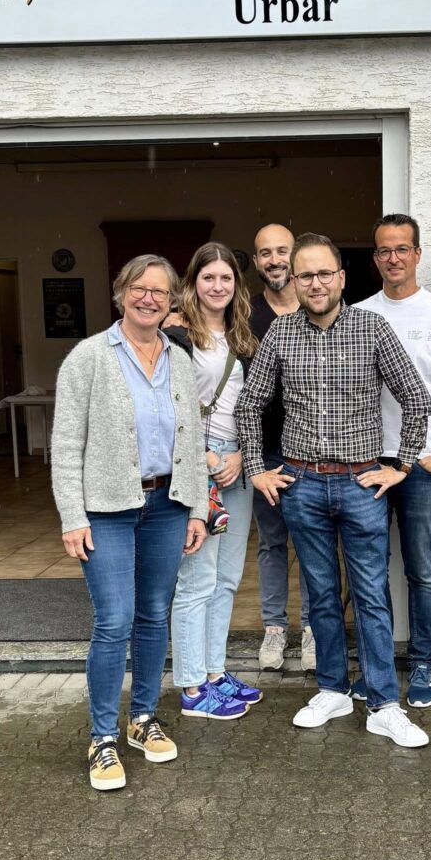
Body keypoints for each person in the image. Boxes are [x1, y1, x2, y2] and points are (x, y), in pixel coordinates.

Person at [236, 232, 431, 748]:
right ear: (294, 280)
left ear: (341, 278)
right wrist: (257, 468)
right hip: (301, 485)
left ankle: (384, 703)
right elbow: (249, 405)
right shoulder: (280, 333)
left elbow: (417, 399)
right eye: (306, 275)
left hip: (361, 484)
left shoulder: (372, 327)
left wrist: (401, 465)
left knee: (371, 595)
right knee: (321, 595)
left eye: (325, 273)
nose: (316, 283)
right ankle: (332, 689)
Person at [52, 255, 208, 791]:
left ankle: (142, 718)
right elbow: (65, 444)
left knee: (153, 615)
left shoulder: (179, 358)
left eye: (160, 292)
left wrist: (198, 508)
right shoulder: (89, 357)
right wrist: (72, 516)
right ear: (120, 294)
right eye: (139, 288)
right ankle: (102, 738)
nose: (149, 298)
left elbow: (193, 439)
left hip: (167, 504)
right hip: (107, 509)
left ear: (171, 301)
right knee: (114, 619)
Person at [353, 213, 431, 707]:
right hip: (367, 459)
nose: (393, 258)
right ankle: (377, 666)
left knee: (423, 569)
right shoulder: (358, 314)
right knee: (369, 570)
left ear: (418, 254)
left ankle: (423, 662)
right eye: (384, 250)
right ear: (375, 258)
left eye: (402, 248)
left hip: (423, 462)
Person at [164, 242, 262, 721]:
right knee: (196, 580)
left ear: (236, 285)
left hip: (235, 465)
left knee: (226, 579)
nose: (218, 286)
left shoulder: (242, 336)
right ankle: (191, 687)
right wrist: (205, 458)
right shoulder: (176, 333)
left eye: (226, 278)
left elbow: (251, 407)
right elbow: (166, 406)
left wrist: (241, 454)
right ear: (193, 282)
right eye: (208, 278)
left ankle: (215, 672)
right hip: (196, 464)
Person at [249, 223, 314, 671]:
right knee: (272, 543)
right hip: (266, 452)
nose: (275, 260)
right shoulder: (244, 314)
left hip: (312, 451)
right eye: (265, 253)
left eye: (282, 251)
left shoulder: (319, 306)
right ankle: (274, 628)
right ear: (256, 261)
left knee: (312, 542)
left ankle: (312, 627)